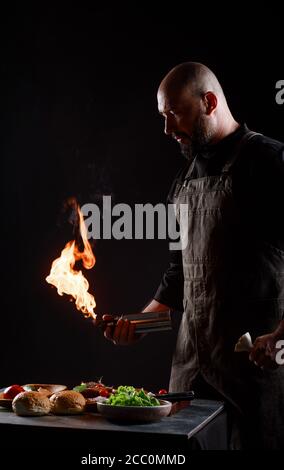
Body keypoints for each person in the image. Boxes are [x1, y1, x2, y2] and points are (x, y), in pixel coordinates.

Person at [102, 62, 284, 449]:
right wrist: (137, 325)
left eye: (174, 114)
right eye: (162, 116)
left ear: (209, 102)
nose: (167, 129)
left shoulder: (269, 162)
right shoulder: (182, 181)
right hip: (190, 378)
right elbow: (180, 277)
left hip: (255, 374)